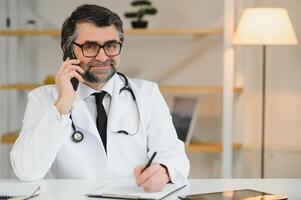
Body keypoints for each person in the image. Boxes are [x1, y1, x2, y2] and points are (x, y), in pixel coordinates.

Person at [10, 4, 189, 192]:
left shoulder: (147, 93)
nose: (102, 57)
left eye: (111, 46)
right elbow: (26, 171)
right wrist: (63, 105)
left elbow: (174, 155)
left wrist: (164, 171)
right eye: (90, 47)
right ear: (67, 50)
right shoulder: (44, 99)